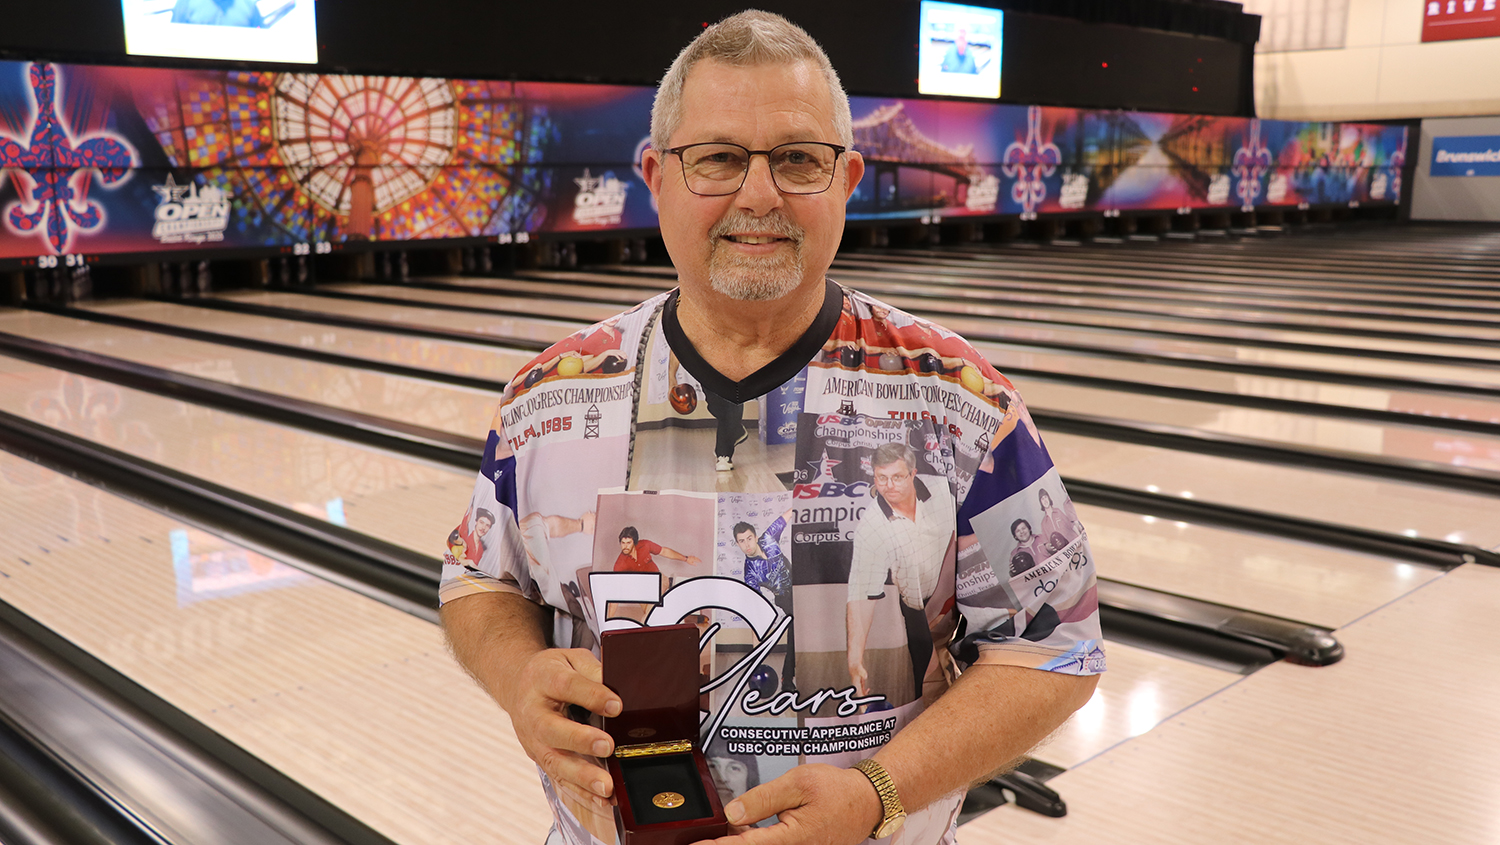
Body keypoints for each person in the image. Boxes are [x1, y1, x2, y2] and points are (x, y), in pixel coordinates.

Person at [438, 12, 1102, 845]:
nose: (759, 194)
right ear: (655, 174)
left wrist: (875, 795)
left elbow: (1059, 647)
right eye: (717, 158)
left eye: (797, 158)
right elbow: (478, 580)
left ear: (848, 177)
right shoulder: (547, 396)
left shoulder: (962, 402)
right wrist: (518, 675)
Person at [846, 444, 954, 703]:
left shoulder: (942, 490)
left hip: (954, 591)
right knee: (925, 686)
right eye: (881, 478)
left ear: (913, 474)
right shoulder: (871, 526)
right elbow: (861, 596)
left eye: (897, 477)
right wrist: (854, 660)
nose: (889, 485)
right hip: (916, 606)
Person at [733, 512, 795, 692]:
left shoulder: (768, 537)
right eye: (742, 541)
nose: (747, 545)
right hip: (785, 598)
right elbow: (755, 612)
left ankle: (792, 675)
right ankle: (788, 678)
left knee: (800, 630)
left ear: (756, 537)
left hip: (799, 584)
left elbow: (788, 514)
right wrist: (756, 655)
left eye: (749, 538)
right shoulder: (750, 573)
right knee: (795, 626)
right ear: (737, 544)